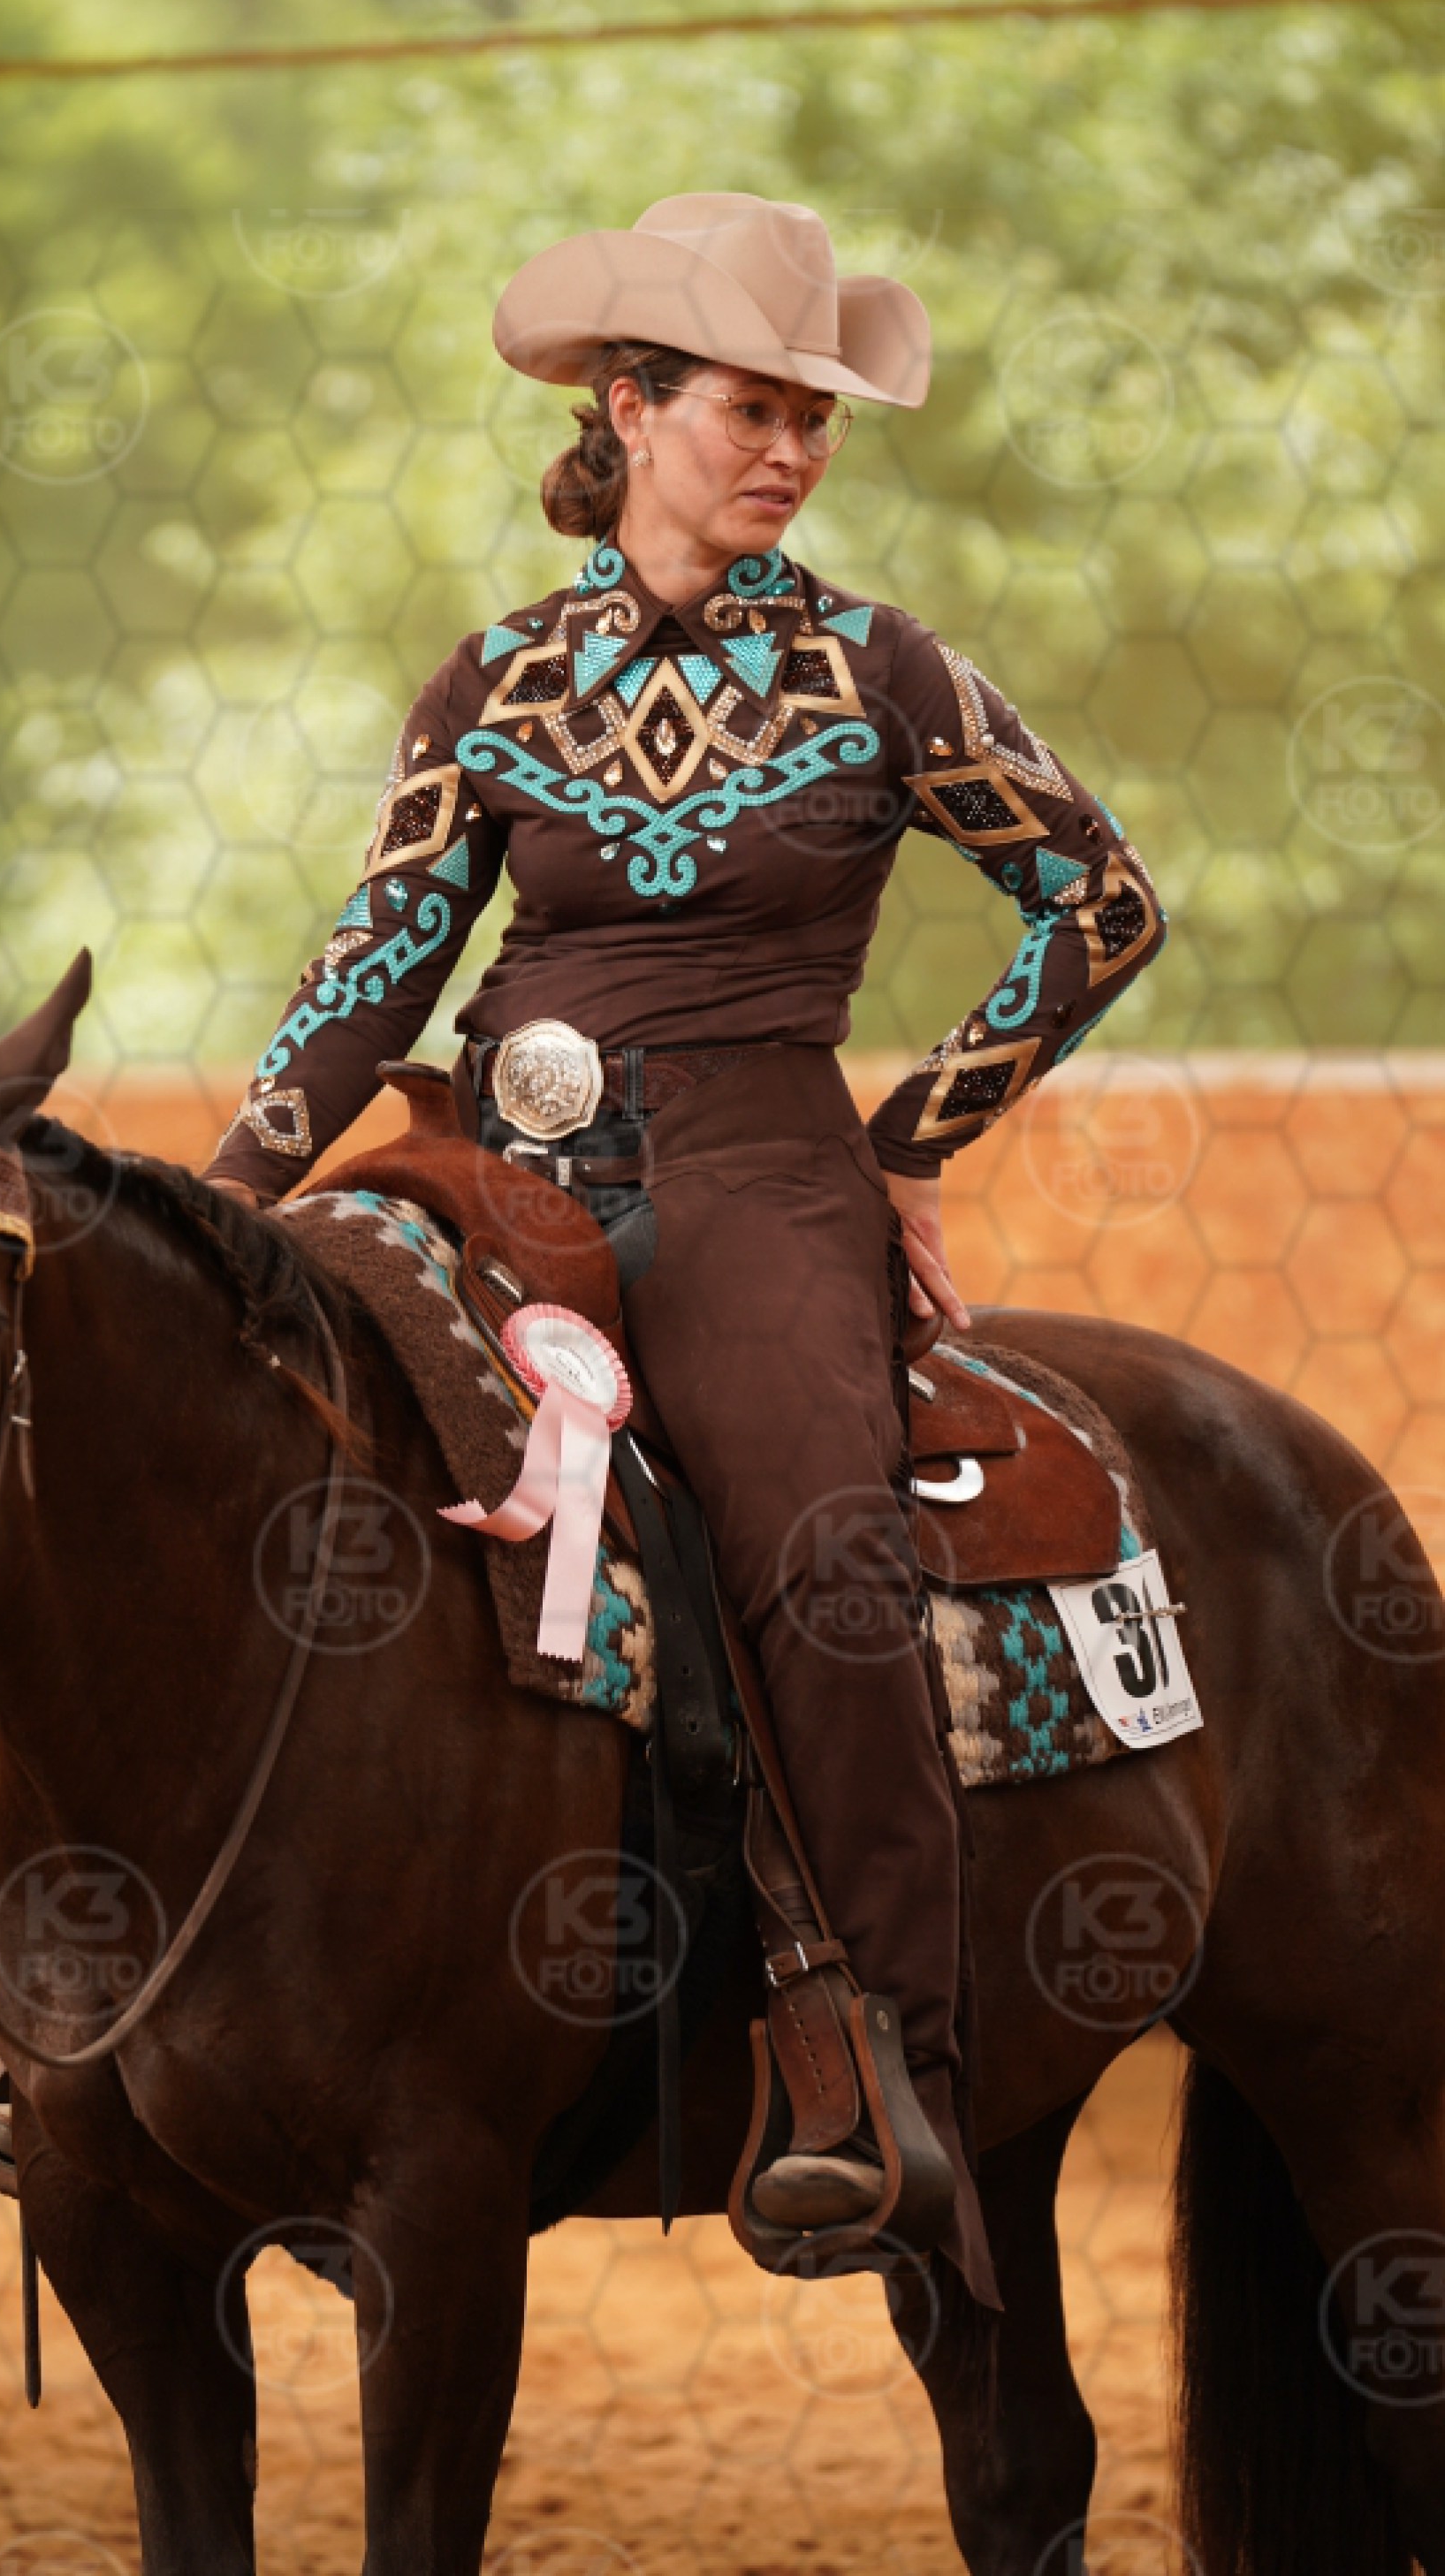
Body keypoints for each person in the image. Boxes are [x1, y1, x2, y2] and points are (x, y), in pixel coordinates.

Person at [202, 194, 1167, 2310]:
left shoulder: (883, 668)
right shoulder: (491, 679)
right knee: (240, 1453)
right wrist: (222, 1199)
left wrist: (911, 1138)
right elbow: (376, 966)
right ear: (628, 408)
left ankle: (884, 2069)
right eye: (754, 408)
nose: (794, 450)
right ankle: (135, 2044)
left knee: (821, 1548)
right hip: (492, 1165)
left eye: (815, 418)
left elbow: (1101, 902)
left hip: (757, 1170)